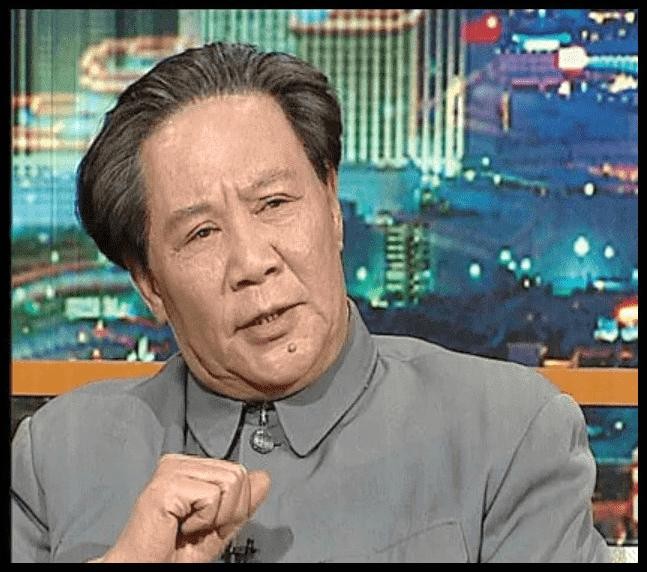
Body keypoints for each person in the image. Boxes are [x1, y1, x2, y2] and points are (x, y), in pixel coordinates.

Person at [11, 42, 611, 563]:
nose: (253, 262)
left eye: (274, 203)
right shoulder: (54, 459)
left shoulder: (507, 432)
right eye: (201, 233)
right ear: (150, 284)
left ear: (330, 205)